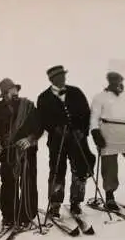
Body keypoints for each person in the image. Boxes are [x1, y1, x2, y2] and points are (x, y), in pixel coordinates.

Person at [37, 65, 96, 217]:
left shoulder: (76, 92)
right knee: (57, 170)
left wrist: (82, 130)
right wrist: (54, 128)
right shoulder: (43, 98)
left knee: (80, 168)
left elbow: (86, 113)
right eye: (58, 78)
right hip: (57, 141)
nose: (62, 79)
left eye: (63, 76)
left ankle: (76, 202)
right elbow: (42, 120)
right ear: (51, 80)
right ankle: (55, 204)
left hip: (77, 139)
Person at [89, 59, 125, 210]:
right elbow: (94, 118)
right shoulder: (99, 97)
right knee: (110, 168)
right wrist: (96, 133)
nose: (114, 81)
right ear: (108, 79)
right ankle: (109, 198)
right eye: (111, 78)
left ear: (122, 79)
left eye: (117, 78)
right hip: (107, 132)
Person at [0, 78, 42, 228]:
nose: (14, 93)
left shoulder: (29, 106)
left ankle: (27, 214)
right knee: (8, 182)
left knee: (28, 181)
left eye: (15, 90)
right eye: (10, 91)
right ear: (4, 94)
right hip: (8, 150)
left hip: (28, 149)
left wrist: (30, 138)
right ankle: (9, 216)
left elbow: (39, 126)